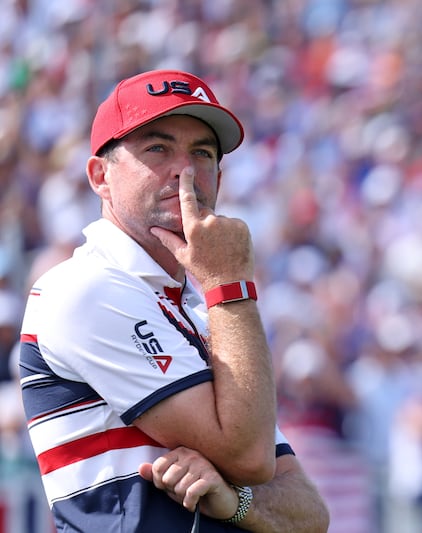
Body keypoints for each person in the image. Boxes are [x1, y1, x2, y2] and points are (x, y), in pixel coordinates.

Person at [17, 69, 330, 532]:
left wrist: (236, 501)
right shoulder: (84, 287)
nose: (185, 170)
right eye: (157, 148)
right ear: (100, 176)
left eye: (202, 153)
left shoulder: (202, 310)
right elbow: (249, 456)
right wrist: (230, 281)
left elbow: (308, 511)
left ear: (219, 178)